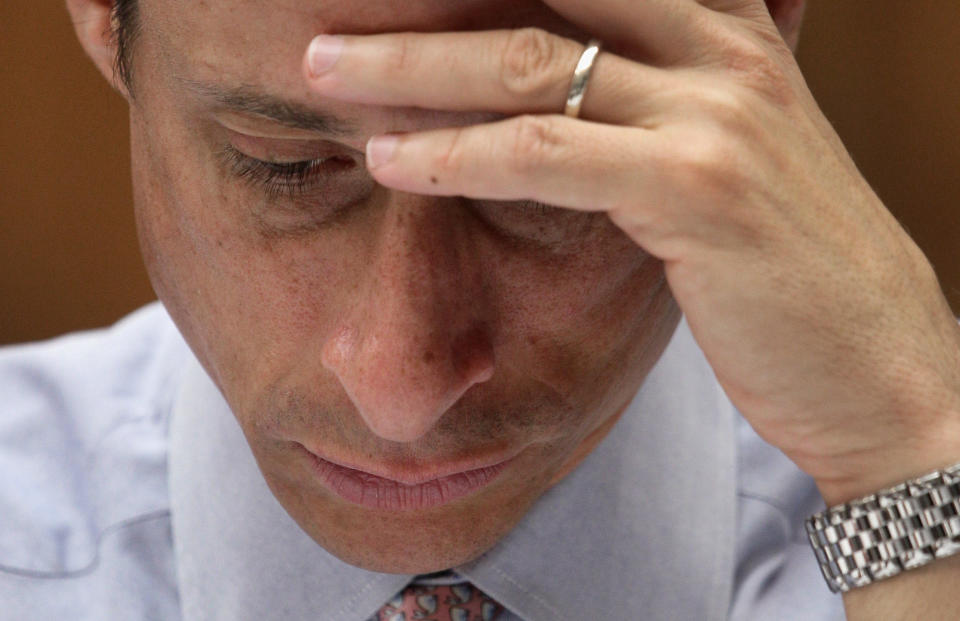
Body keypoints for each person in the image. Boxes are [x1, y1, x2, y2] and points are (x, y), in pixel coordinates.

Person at [3, 0, 959, 618]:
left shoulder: (921, 495)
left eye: (538, 180)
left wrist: (914, 472)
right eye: (284, 168)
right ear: (101, 21)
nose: (401, 390)